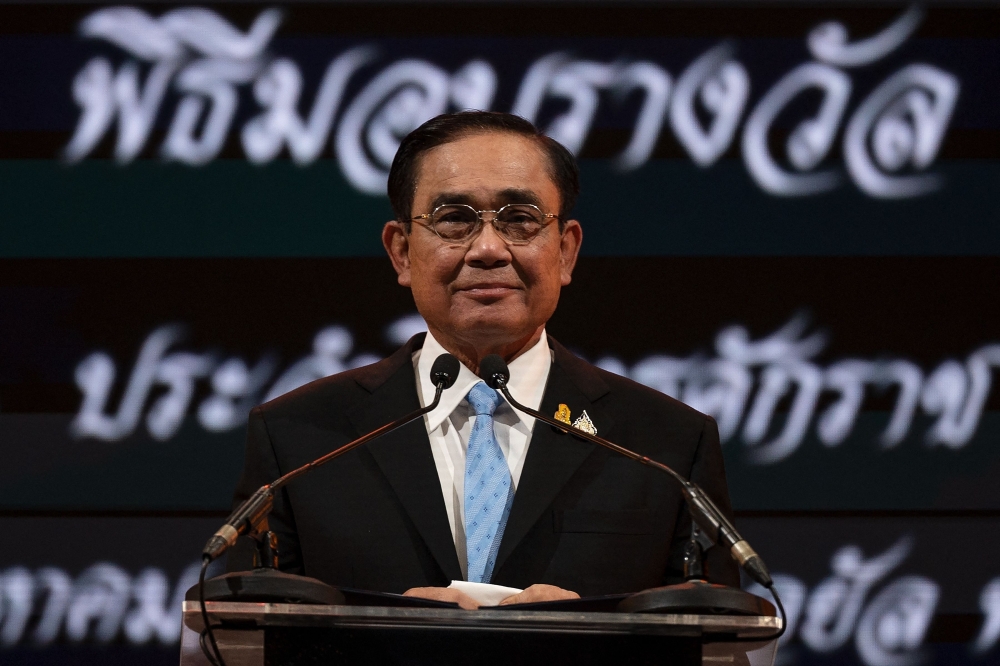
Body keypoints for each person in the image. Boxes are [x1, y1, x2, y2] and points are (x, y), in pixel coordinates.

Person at [228, 111, 738, 609]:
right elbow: (245, 635)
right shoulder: (300, 440)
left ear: (565, 251)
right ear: (402, 251)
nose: (489, 249)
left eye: (520, 220)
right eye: (454, 220)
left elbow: (716, 638)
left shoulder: (665, 445)